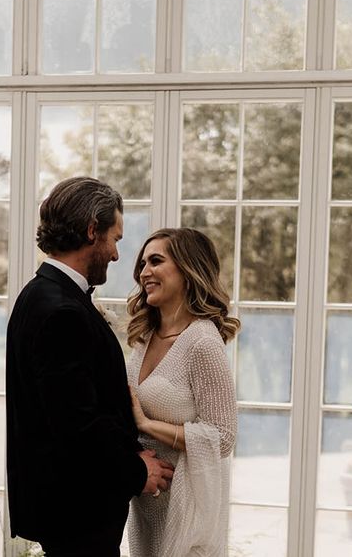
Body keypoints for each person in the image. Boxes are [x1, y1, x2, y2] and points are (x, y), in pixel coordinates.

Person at [6, 177, 174, 557]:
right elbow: (77, 425)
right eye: (115, 238)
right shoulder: (62, 310)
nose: (117, 255)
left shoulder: (39, 295)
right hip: (77, 513)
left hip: (66, 511)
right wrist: (137, 472)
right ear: (91, 230)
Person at [126, 227, 240, 557]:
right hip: (146, 508)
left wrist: (147, 425)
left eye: (156, 261)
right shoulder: (145, 337)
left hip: (187, 508)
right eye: (143, 263)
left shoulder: (202, 342)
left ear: (188, 269)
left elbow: (223, 437)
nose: (144, 272)